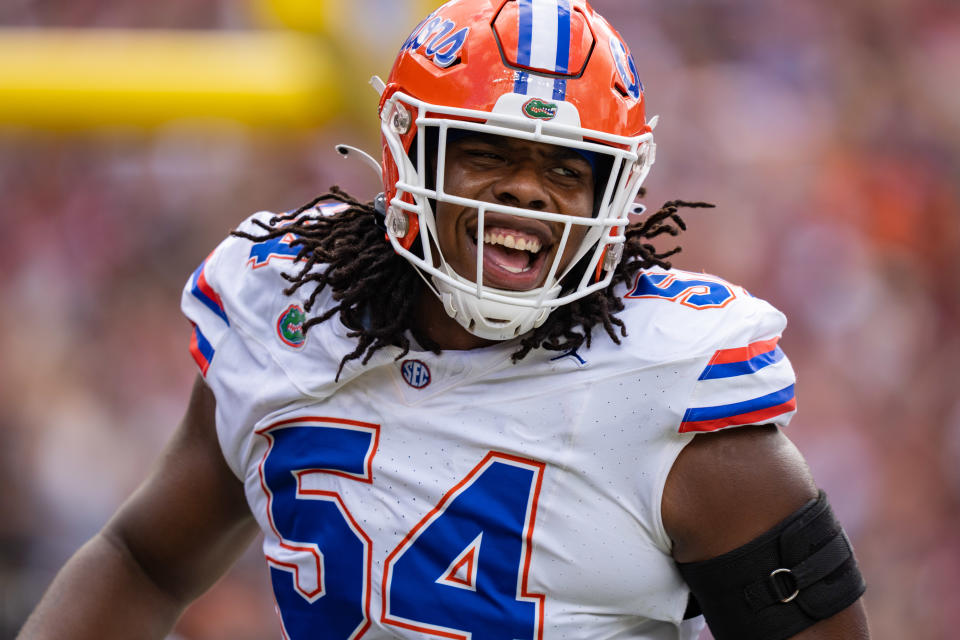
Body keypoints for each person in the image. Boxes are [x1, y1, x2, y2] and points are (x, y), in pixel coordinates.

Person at [19, 1, 869, 639]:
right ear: (408, 155)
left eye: (567, 168)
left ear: (616, 196)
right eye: (489, 152)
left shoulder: (676, 392)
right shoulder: (287, 311)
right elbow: (144, 558)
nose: (527, 189)